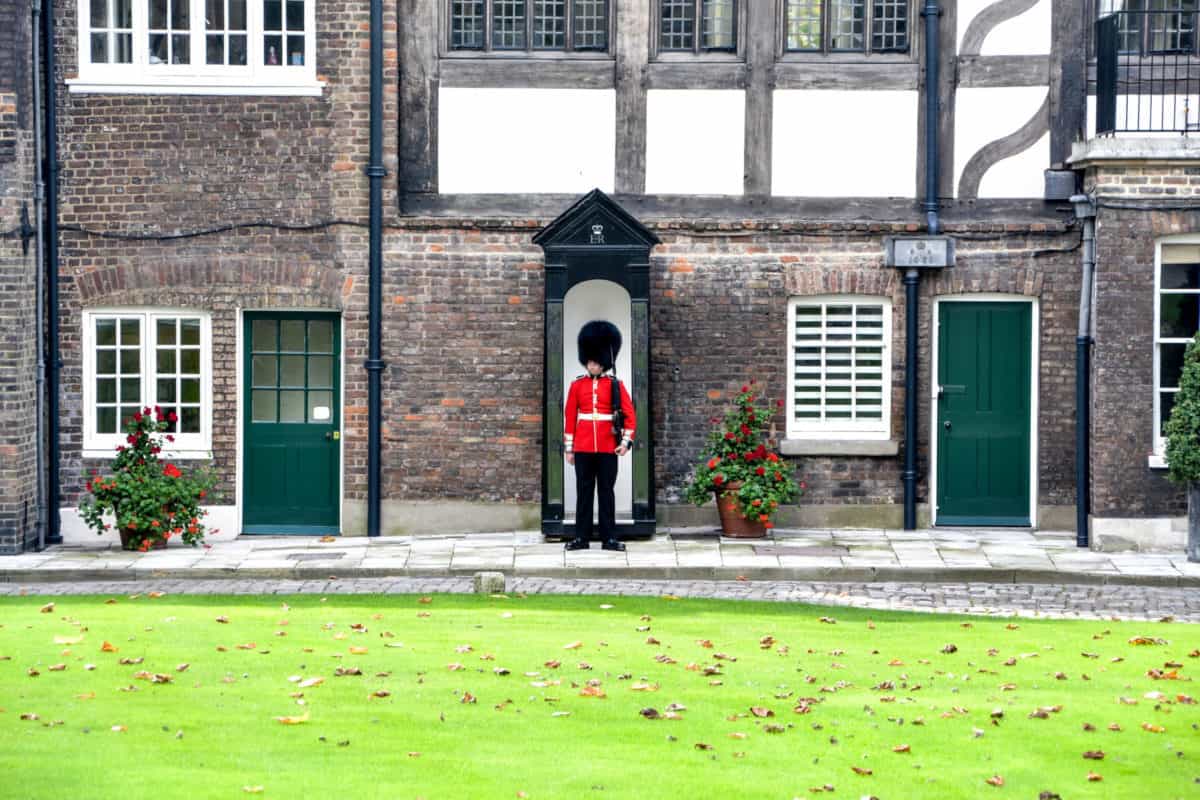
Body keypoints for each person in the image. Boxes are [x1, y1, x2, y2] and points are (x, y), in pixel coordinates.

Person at [564, 320, 636, 552]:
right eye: (590, 361)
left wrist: (625, 442)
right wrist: (569, 448)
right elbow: (570, 417)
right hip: (584, 446)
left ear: (604, 362)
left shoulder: (616, 385)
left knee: (606, 492)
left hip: (607, 446)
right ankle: (581, 538)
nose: (592, 365)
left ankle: (609, 538)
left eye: (596, 362)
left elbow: (629, 415)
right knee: (584, 493)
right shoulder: (576, 386)